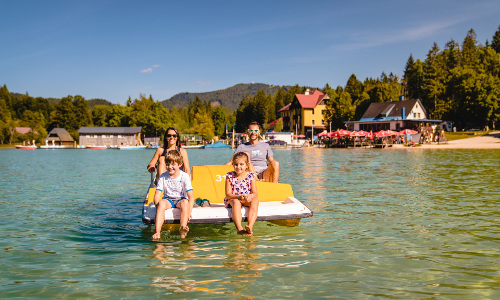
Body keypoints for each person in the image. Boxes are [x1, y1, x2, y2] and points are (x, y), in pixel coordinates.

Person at [152, 150, 194, 239]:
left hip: (180, 199)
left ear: (180, 164)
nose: (170, 167)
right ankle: (157, 232)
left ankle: (182, 229)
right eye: (167, 164)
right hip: (168, 199)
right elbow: (157, 195)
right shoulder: (163, 176)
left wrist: (189, 212)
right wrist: (158, 208)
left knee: (185, 203)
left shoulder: (184, 176)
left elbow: (191, 196)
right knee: (161, 203)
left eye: (173, 164)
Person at [224, 152, 259, 236]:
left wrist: (251, 196)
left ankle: (250, 226)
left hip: (246, 199)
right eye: (236, 164)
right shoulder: (229, 176)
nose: (238, 167)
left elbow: (255, 193)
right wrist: (239, 196)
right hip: (233, 199)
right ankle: (239, 228)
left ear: (247, 165)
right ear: (233, 165)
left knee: (255, 201)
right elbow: (228, 194)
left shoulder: (251, 176)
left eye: (241, 164)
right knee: (236, 202)